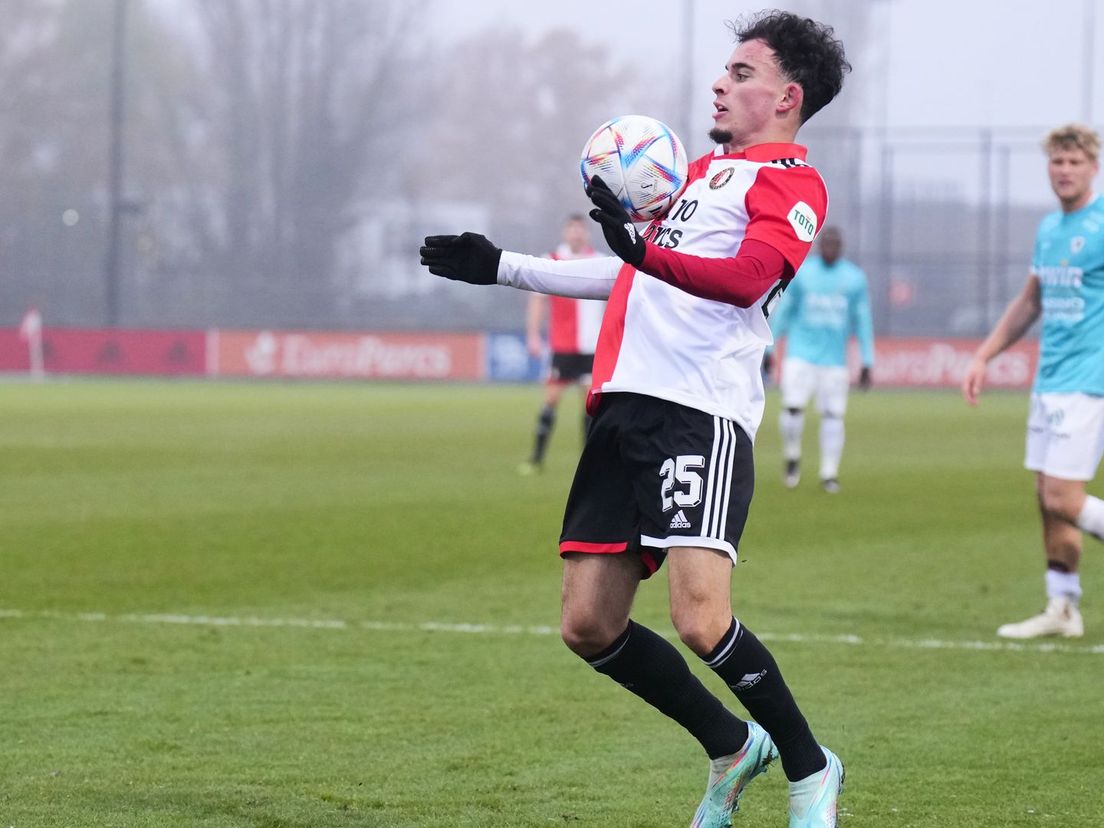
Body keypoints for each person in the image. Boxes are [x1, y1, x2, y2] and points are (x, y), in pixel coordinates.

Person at [420, 11, 850, 826]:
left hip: (699, 415)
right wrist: (504, 267)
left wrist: (642, 250)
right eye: (724, 71)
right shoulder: (690, 178)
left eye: (742, 73)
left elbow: (750, 277)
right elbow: (627, 274)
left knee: (700, 618)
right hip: (622, 415)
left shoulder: (792, 182)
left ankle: (809, 766)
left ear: (787, 96)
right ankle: (732, 748)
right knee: (587, 624)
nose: (721, 83)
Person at [962, 123, 1104, 640]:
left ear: (1093, 166)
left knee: (1065, 498)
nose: (1064, 171)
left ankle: (1063, 604)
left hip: (1090, 381)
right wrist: (984, 355)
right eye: (1057, 162)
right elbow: (1030, 302)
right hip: (1051, 380)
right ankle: (1062, 606)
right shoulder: (1050, 229)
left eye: (1074, 162)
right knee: (1047, 496)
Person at [766, 226, 874, 493]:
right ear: (819, 245)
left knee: (833, 415)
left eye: (836, 243)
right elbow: (784, 312)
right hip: (800, 355)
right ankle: (792, 455)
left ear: (841, 247)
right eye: (827, 242)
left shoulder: (854, 278)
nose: (831, 247)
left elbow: (862, 321)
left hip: (834, 361)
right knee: (793, 408)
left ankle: (829, 472)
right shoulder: (803, 273)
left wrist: (867, 360)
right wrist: (770, 348)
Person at [520, 215, 605, 475]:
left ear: (587, 234)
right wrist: (533, 335)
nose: (576, 235)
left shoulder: (601, 262)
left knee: (590, 405)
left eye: (581, 230)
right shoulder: (551, 260)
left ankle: (589, 464)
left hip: (592, 347)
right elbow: (537, 300)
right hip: (562, 346)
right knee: (551, 400)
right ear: (565, 233)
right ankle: (536, 459)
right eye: (572, 230)